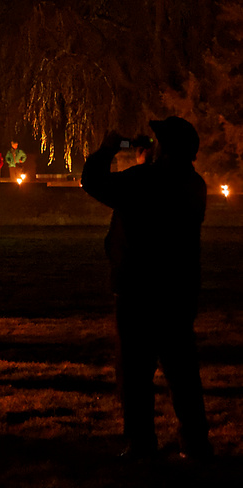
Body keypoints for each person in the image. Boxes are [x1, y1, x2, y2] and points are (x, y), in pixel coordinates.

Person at [82, 117, 211, 462]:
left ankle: (141, 443)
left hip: (138, 288)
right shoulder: (193, 184)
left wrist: (109, 149)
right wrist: (146, 164)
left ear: (164, 147)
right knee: (183, 370)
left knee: (136, 373)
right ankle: (195, 442)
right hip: (178, 289)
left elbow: (94, 182)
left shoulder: (144, 180)